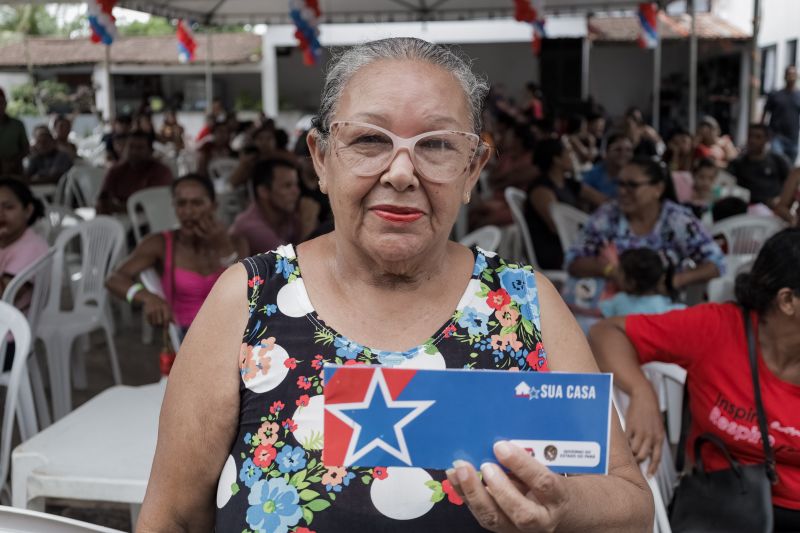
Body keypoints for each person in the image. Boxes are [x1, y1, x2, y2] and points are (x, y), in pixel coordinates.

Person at [137, 37, 652, 533]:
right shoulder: (249, 300)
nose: (402, 172)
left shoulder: (524, 304)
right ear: (321, 158)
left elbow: (631, 508)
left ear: (472, 170)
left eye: (436, 145)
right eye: (368, 139)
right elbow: (172, 518)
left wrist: (565, 507)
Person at [590, 228, 800, 531]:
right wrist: (641, 391)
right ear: (787, 301)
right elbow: (606, 333)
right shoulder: (718, 328)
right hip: (721, 508)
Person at [106, 174, 247, 341]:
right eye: (181, 204)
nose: (188, 212)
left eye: (197, 203)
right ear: (174, 206)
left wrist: (224, 247)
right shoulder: (161, 243)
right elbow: (113, 279)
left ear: (213, 205)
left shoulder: (236, 242)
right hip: (188, 336)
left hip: (235, 332)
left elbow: (248, 291)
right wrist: (147, 297)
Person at [566, 157, 724, 294]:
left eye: (632, 185)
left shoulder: (677, 221)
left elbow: (716, 262)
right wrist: (611, 272)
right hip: (608, 308)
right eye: (620, 184)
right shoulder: (607, 217)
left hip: (662, 310)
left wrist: (676, 281)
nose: (622, 191)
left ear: (658, 189)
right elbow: (573, 262)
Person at [525, 138, 606, 269]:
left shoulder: (569, 183)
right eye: (569, 153)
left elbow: (602, 199)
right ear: (556, 159)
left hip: (573, 242)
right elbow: (556, 226)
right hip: (556, 251)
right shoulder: (541, 189)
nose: (573, 158)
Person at [229, 158, 316, 254]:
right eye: (287, 186)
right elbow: (291, 263)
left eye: (296, 185)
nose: (297, 192)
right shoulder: (250, 227)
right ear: (264, 191)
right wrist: (308, 223)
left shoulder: (287, 213)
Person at [96, 131, 174, 215]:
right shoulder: (116, 171)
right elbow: (103, 197)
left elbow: (153, 204)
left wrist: (118, 208)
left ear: (150, 150)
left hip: (152, 221)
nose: (134, 152)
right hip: (119, 220)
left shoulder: (161, 172)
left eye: (140, 148)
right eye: (131, 147)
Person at [597, 248, 685, 318]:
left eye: (619, 271)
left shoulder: (620, 301)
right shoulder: (667, 308)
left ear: (631, 283)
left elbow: (598, 313)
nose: (615, 273)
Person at [727, 123, 791, 207]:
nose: (752, 140)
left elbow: (790, 184)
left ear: (767, 139)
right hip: (746, 208)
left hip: (773, 209)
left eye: (758, 137)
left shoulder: (778, 160)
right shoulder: (737, 163)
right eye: (750, 136)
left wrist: (780, 199)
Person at [763, 65, 800, 164]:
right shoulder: (776, 95)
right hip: (776, 136)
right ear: (785, 76)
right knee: (778, 163)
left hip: (793, 139)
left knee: (789, 169)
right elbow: (765, 112)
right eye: (789, 74)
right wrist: (763, 131)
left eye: (793, 74)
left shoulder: (799, 96)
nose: (791, 77)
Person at [581, 132, 634, 198]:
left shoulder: (634, 178)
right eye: (618, 150)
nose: (623, 154)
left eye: (628, 150)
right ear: (606, 152)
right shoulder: (594, 174)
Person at [0, 88, 29, 176]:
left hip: (14, 170)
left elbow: (26, 148)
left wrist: (11, 163)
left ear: (5, 103)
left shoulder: (17, 124)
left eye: (1, 103)